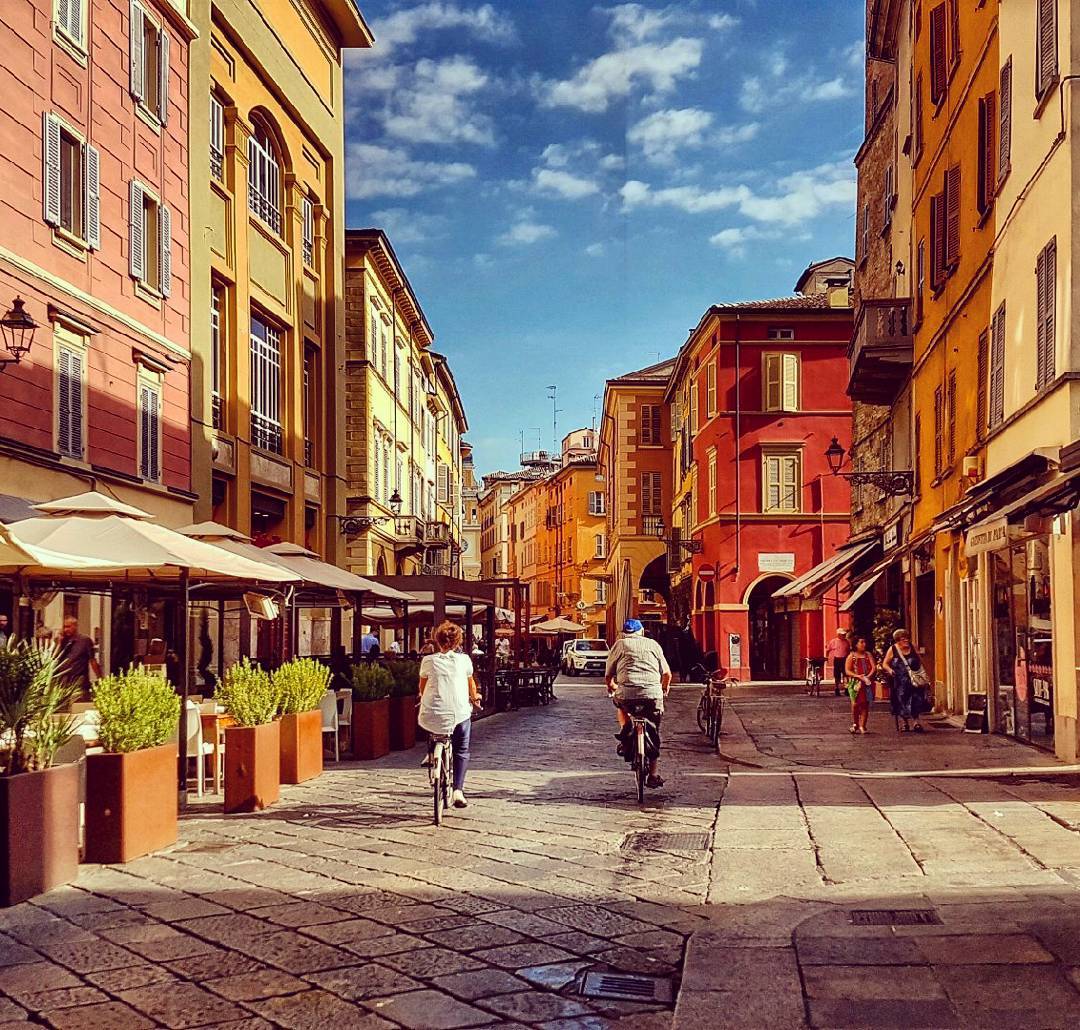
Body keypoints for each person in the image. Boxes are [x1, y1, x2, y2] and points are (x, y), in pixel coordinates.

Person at [418, 621, 481, 809]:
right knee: (461, 749)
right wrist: (475, 697)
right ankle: (458, 791)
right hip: (459, 714)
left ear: (437, 640)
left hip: (432, 714)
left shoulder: (428, 661)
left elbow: (423, 687)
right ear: (458, 641)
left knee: (428, 717)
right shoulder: (464, 660)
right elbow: (471, 685)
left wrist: (423, 696)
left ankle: (431, 753)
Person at [605, 618, 672, 789]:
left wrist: (611, 686)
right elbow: (667, 673)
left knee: (619, 704)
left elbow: (608, 674)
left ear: (625, 634)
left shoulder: (620, 645)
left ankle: (625, 727)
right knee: (655, 730)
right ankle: (653, 774)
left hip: (626, 694)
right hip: (652, 694)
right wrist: (664, 688)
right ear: (641, 631)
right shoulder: (654, 645)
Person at [882, 628, 926, 733]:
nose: (906, 641)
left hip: (914, 679)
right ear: (897, 640)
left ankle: (916, 722)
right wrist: (890, 670)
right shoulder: (893, 649)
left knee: (916, 699)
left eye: (907, 638)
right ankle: (905, 723)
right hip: (900, 680)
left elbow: (920, 660)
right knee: (902, 700)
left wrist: (924, 673)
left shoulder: (913, 647)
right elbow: (885, 664)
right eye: (903, 639)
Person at [58, 616, 101, 702]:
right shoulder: (64, 642)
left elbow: (92, 660)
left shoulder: (85, 640)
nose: (66, 630)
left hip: (79, 683)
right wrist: (59, 643)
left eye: (68, 627)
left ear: (75, 626)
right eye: (64, 627)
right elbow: (56, 659)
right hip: (63, 683)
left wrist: (100, 678)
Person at [844, 636, 876, 735]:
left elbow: (874, 667)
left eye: (864, 642)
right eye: (861, 642)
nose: (864, 644)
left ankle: (863, 725)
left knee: (865, 704)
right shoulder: (851, 656)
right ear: (855, 644)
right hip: (855, 683)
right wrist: (858, 676)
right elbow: (847, 670)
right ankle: (855, 723)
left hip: (867, 682)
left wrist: (868, 677)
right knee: (855, 703)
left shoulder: (868, 655)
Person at [825, 628, 851, 696]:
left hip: (844, 659)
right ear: (838, 635)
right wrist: (827, 658)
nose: (844, 636)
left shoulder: (847, 642)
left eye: (844, 634)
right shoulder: (833, 641)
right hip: (837, 659)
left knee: (846, 675)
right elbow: (828, 650)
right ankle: (837, 689)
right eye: (842, 635)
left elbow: (848, 651)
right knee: (837, 675)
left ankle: (846, 689)